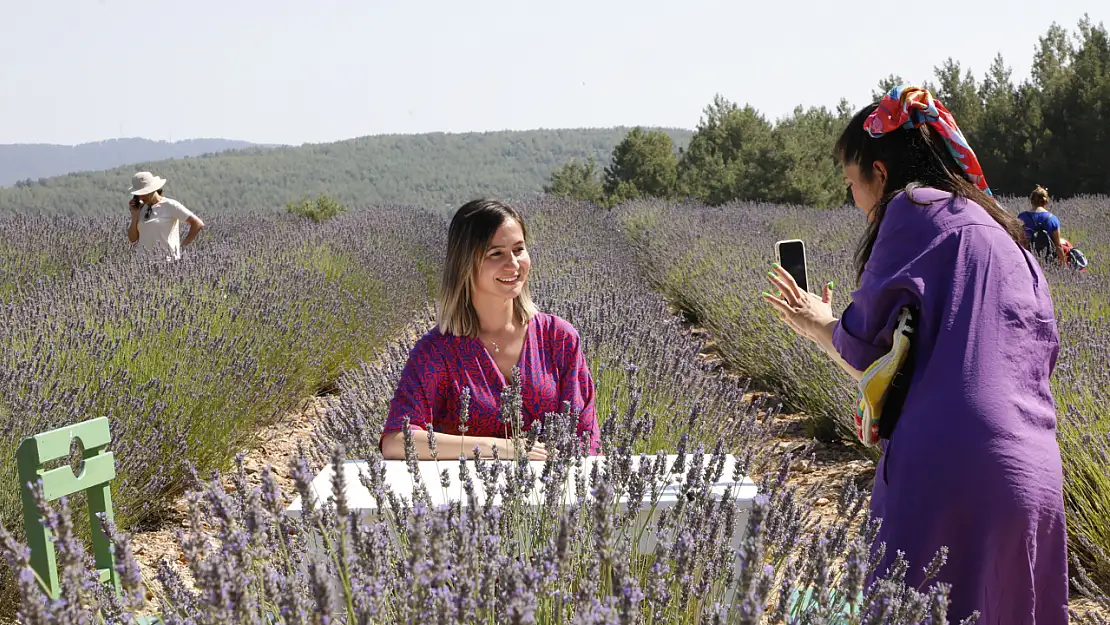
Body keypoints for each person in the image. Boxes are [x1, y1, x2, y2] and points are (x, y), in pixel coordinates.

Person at [762, 86, 1068, 623]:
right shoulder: (1008, 235)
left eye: (852, 184)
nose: (854, 200)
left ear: (880, 174)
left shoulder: (912, 207)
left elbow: (862, 349)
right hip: (1035, 478)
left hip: (948, 471)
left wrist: (819, 324)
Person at [380, 198, 601, 461]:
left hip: (555, 496)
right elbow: (395, 440)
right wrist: (499, 448)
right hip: (469, 498)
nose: (513, 264)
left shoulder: (558, 338)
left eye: (519, 250)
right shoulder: (438, 352)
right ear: (465, 264)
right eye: (496, 253)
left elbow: (587, 438)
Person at [127, 171, 204, 261]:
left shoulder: (170, 205)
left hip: (167, 262)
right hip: (142, 263)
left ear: (152, 189)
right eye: (138, 195)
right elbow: (132, 239)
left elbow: (197, 224)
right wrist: (135, 216)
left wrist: (182, 247)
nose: (140, 198)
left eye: (143, 194)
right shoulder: (141, 208)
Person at [1017, 185, 1068, 267]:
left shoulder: (1022, 217)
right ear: (1046, 202)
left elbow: (1018, 242)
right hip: (1049, 260)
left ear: (1031, 201)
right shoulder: (1052, 219)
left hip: (1028, 260)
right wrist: (1063, 265)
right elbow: (1058, 246)